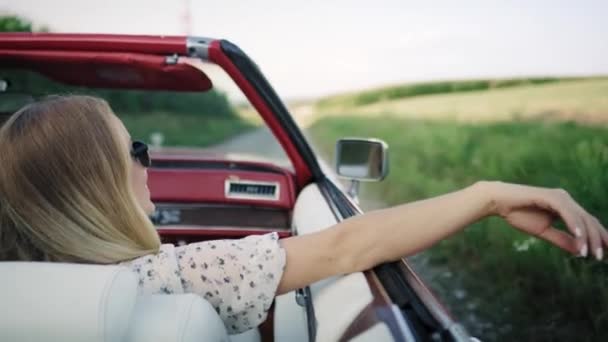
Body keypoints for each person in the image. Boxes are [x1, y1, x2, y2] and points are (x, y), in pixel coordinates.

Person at [0, 95, 606, 334]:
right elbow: (348, 247)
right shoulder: (175, 276)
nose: (146, 161)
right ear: (98, 185)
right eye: (134, 149)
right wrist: (490, 196)